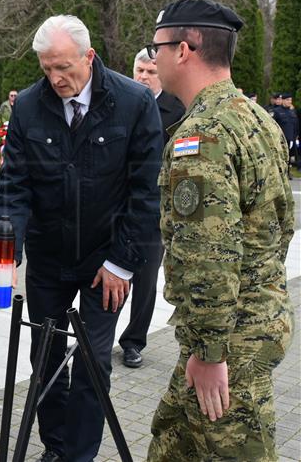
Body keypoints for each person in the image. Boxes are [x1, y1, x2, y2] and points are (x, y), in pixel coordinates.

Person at [0, 14, 162, 462]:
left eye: (64, 67)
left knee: (92, 361)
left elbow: (146, 193)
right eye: (47, 68)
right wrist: (3, 258)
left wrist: (122, 262)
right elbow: (14, 187)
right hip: (49, 257)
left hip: (107, 261)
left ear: (89, 56)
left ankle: (79, 456)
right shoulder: (28, 105)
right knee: (44, 359)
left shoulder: (134, 102)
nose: (56, 79)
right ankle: (55, 448)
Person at [144, 0, 295, 461]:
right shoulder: (258, 120)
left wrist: (210, 353)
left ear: (184, 50)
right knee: (172, 443)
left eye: (157, 48)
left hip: (228, 347)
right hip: (256, 326)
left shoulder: (202, 136)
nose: (153, 58)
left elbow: (209, 254)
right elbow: (278, 227)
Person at [117, 47, 186, 369]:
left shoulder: (178, 109)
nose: (143, 77)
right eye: (139, 70)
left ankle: (133, 341)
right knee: (110, 272)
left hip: (153, 209)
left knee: (144, 280)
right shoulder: (119, 100)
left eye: (150, 72)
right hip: (115, 204)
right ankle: (99, 335)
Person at [272, 92, 298, 178]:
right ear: (282, 100)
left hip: (291, 138)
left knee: (289, 157)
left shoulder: (292, 112)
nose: (289, 102)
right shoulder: (276, 111)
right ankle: (279, 173)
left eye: (290, 100)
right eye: (287, 100)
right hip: (280, 139)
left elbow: (295, 125)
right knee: (280, 156)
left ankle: (287, 172)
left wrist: (296, 136)